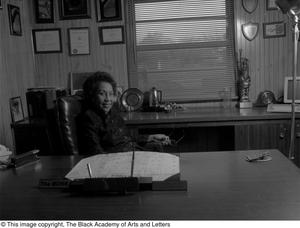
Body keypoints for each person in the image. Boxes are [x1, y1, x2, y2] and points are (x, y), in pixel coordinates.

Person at [78, 71, 171, 155]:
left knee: (164, 150)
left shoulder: (112, 113)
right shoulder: (89, 118)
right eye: (102, 93)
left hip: (132, 152)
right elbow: (96, 152)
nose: (108, 99)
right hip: (121, 161)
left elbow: (126, 137)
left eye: (110, 94)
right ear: (91, 96)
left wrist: (151, 137)